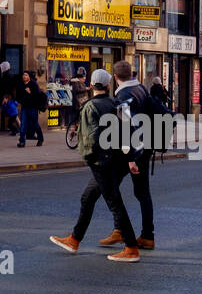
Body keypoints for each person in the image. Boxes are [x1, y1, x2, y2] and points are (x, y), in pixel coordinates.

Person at [49, 68, 141, 262]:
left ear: (91, 85)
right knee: (88, 197)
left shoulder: (90, 107)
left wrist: (91, 159)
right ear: (109, 86)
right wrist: (130, 159)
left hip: (102, 163)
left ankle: (131, 247)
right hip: (118, 161)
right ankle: (74, 239)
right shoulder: (119, 104)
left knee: (114, 203)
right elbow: (130, 132)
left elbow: (91, 140)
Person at [104, 60, 155, 250]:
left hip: (131, 153)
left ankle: (120, 230)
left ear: (115, 77)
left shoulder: (123, 95)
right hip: (145, 146)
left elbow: (127, 126)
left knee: (110, 187)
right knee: (142, 194)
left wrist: (131, 158)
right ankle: (147, 236)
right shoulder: (141, 89)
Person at [17, 69, 45, 147]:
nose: (24, 76)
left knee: (35, 124)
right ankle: (22, 141)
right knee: (23, 125)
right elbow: (18, 95)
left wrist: (30, 93)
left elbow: (38, 95)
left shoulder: (33, 84)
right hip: (24, 107)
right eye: (23, 75)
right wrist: (21, 100)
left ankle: (40, 138)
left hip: (33, 107)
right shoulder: (21, 84)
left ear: (29, 77)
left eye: (26, 75)